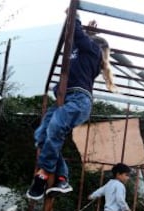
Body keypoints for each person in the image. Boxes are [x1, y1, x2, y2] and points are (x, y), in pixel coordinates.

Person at [26, 15, 116, 200]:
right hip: (64, 100)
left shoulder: (93, 52)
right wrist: (89, 32)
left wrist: (74, 16)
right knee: (41, 136)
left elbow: (76, 33)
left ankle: (43, 175)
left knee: (55, 127)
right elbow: (78, 38)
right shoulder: (83, 50)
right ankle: (62, 178)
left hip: (78, 100)